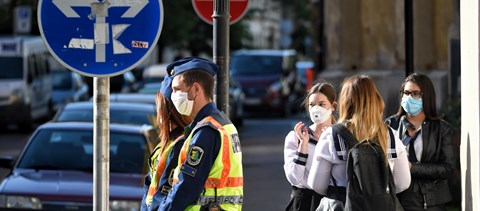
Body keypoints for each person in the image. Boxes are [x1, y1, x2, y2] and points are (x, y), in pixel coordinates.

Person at [307, 75, 411, 209]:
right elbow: (403, 183)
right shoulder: (391, 135)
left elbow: (317, 185)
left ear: (345, 101)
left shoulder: (331, 135)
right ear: (375, 99)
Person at [161, 57, 243, 211]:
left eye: (177, 89)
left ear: (196, 89)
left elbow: (186, 186)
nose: (173, 95)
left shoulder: (206, 130)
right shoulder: (223, 123)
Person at [385, 73, 456, 211]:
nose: (410, 98)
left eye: (416, 94)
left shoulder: (442, 129)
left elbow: (448, 168)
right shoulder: (390, 124)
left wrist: (412, 167)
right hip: (397, 201)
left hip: (430, 202)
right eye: (406, 93)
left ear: (427, 96)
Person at [141, 75, 193, 211]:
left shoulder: (179, 144)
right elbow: (149, 187)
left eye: (158, 107)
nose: (157, 113)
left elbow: (167, 193)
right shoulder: (166, 143)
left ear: (166, 111)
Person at [283, 82, 337, 211]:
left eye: (322, 104)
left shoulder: (339, 137)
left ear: (333, 106)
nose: (316, 109)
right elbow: (294, 178)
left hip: (331, 201)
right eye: (312, 105)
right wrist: (303, 145)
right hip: (304, 201)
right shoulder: (295, 137)